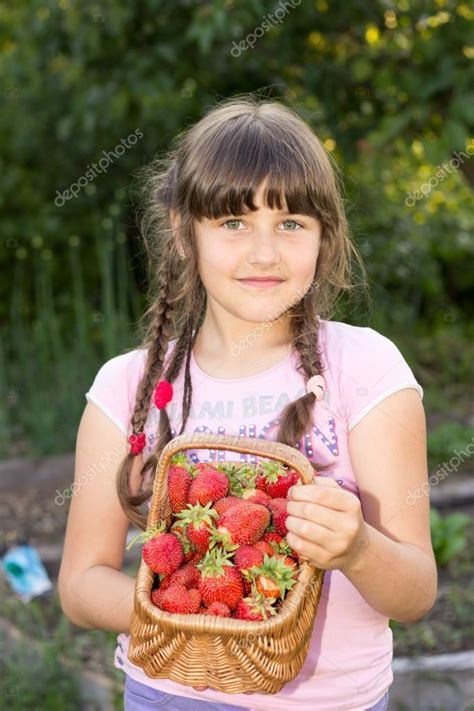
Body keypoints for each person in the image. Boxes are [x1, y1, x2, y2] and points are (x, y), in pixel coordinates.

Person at [58, 96, 437, 711]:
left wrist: (358, 550)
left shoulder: (365, 370)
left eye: (291, 224)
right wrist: (199, 609)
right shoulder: (126, 388)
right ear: (186, 234)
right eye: (233, 223)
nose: (264, 253)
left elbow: (416, 592)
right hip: (167, 695)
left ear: (324, 238)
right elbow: (79, 584)